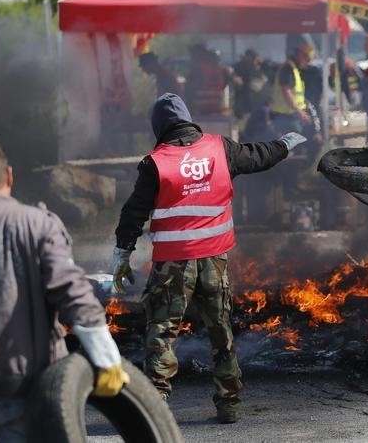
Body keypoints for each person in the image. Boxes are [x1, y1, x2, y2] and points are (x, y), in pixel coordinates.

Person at [110, 93, 306, 424]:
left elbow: (133, 213)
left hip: (174, 264)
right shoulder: (220, 149)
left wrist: (122, 254)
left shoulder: (155, 163)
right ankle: (229, 403)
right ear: (188, 118)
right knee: (221, 332)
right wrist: (286, 143)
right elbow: (259, 156)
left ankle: (156, 405)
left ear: (158, 126)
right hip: (215, 261)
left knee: (162, 332)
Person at [0, 139, 129, 442]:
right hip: (23, 392)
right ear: (9, 177)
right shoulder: (38, 224)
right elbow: (71, 289)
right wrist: (107, 359)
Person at [270, 43, 314, 136]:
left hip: (290, 115)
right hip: (285, 116)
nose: (307, 63)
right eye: (307, 59)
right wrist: (300, 112)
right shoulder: (288, 68)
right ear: (300, 55)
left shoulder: (294, 69)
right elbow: (286, 91)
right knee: (295, 144)